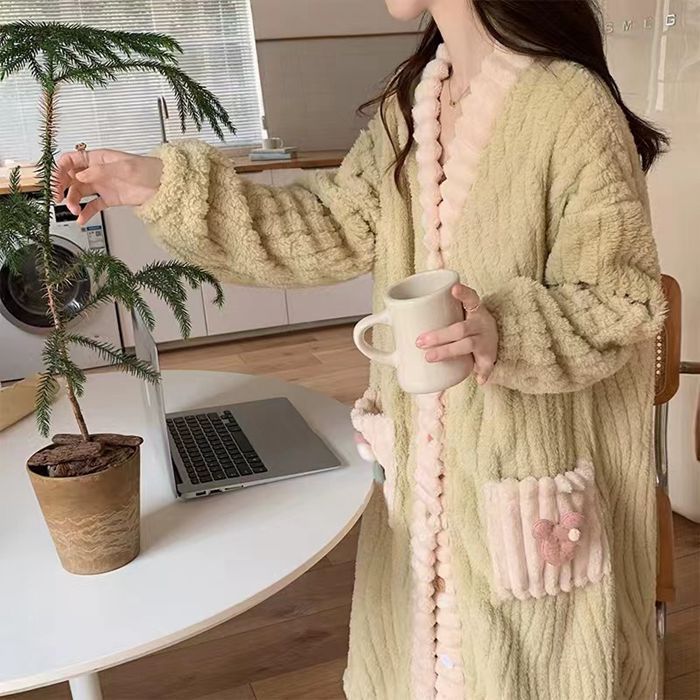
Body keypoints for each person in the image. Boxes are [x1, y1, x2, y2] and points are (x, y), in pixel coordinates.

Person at [54, 1, 668, 697]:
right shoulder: (412, 109)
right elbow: (326, 225)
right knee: (418, 658)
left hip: (523, 481)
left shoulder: (569, 105)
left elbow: (621, 298)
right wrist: (159, 185)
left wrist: (506, 330)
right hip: (422, 478)